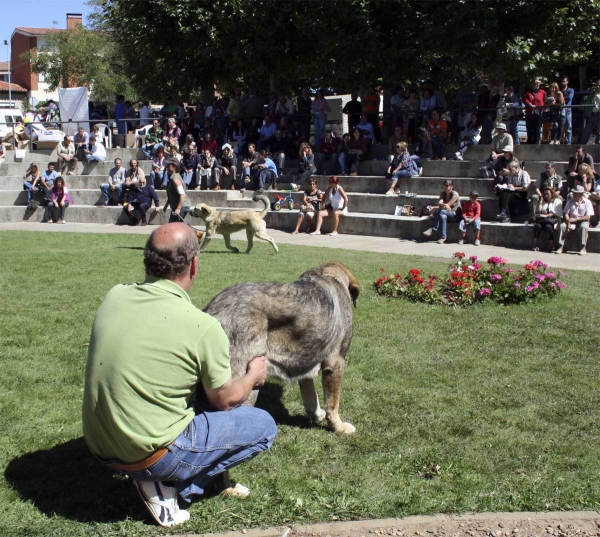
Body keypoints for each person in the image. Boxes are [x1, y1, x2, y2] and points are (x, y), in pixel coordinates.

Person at [82, 223, 276, 528]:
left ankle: (156, 475)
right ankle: (171, 486)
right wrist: (253, 375)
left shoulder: (114, 295)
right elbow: (225, 399)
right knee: (263, 426)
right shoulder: (202, 326)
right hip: (148, 454)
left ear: (147, 260)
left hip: (100, 446)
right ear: (194, 264)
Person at [555, 185, 594, 255]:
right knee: (562, 226)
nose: (573, 194)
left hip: (582, 221)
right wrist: (567, 220)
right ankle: (560, 246)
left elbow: (588, 217)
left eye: (576, 193)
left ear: (581, 194)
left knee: (584, 227)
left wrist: (576, 219)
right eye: (573, 193)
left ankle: (583, 248)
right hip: (571, 221)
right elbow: (566, 213)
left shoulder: (587, 202)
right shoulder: (570, 201)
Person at [532, 187, 563, 252]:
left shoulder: (557, 201)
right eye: (545, 194)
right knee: (537, 226)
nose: (546, 196)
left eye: (548, 194)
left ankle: (552, 246)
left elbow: (555, 213)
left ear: (552, 193)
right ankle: (534, 245)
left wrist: (545, 215)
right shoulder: (544, 201)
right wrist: (541, 201)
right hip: (543, 220)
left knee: (548, 227)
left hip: (553, 220)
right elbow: (539, 211)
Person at [523, 79, 546, 144]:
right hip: (529, 112)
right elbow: (525, 100)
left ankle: (537, 141)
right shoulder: (528, 93)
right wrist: (530, 104)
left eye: (538, 84)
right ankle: (530, 141)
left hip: (538, 112)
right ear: (533, 85)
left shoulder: (542, 92)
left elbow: (545, 100)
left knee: (537, 128)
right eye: (536, 84)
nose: (537, 85)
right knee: (529, 127)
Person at [581, 77, 600, 145]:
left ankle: (598, 144)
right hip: (593, 113)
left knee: (599, 131)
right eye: (597, 85)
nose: (598, 86)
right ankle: (583, 144)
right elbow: (588, 101)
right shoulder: (592, 94)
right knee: (587, 130)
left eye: (599, 85)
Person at [560, 75, 574, 145]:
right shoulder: (559, 91)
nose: (563, 83)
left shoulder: (570, 90)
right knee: (560, 127)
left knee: (568, 127)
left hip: (568, 110)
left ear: (567, 82)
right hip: (560, 110)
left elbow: (569, 98)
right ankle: (560, 141)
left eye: (564, 81)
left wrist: (561, 98)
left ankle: (568, 142)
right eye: (562, 81)